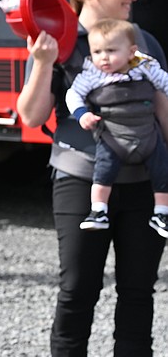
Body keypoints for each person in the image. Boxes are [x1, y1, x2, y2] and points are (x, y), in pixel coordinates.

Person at [17, 0, 168, 357]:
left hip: (143, 180)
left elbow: (162, 111)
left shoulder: (143, 40)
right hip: (79, 178)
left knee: (138, 288)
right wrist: (42, 64)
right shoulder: (56, 39)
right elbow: (30, 114)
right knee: (78, 285)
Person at [65, 18, 168, 236]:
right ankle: (98, 211)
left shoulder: (145, 68)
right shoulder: (91, 75)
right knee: (103, 171)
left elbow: (165, 83)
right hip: (113, 136)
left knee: (162, 170)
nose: (104, 57)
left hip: (147, 134)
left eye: (111, 50)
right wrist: (82, 114)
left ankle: (162, 213)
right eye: (97, 51)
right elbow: (73, 94)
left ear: (131, 52)